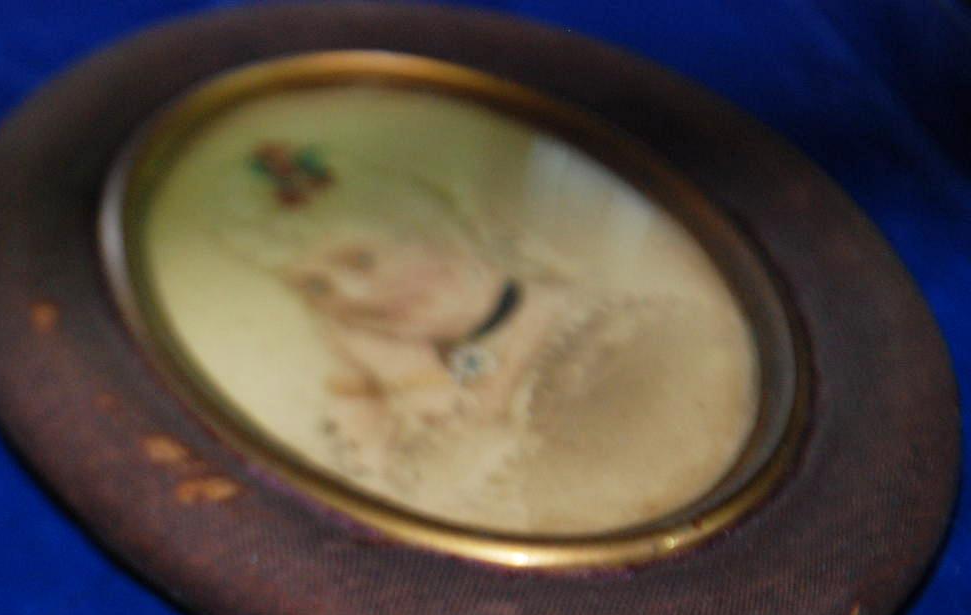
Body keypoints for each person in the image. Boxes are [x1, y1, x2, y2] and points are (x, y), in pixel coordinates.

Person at [219, 141, 754, 533]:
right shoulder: (382, 377)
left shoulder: (621, 336)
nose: (352, 296)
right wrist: (371, 381)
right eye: (316, 286)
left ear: (433, 226)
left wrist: (417, 386)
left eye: (361, 258)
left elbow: (539, 515)